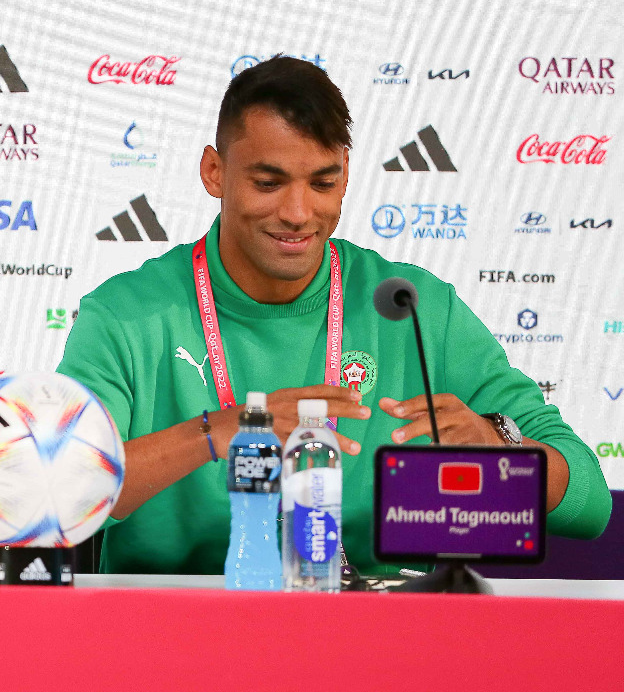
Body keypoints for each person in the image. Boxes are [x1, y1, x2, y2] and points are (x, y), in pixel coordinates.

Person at [57, 56, 611, 576]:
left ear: (345, 175)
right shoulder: (125, 315)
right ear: (213, 172)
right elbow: (58, 495)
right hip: (176, 647)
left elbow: (589, 505)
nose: (298, 214)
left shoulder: (410, 306)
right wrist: (217, 432)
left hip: (374, 649)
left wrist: (502, 450)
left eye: (322, 183)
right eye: (268, 183)